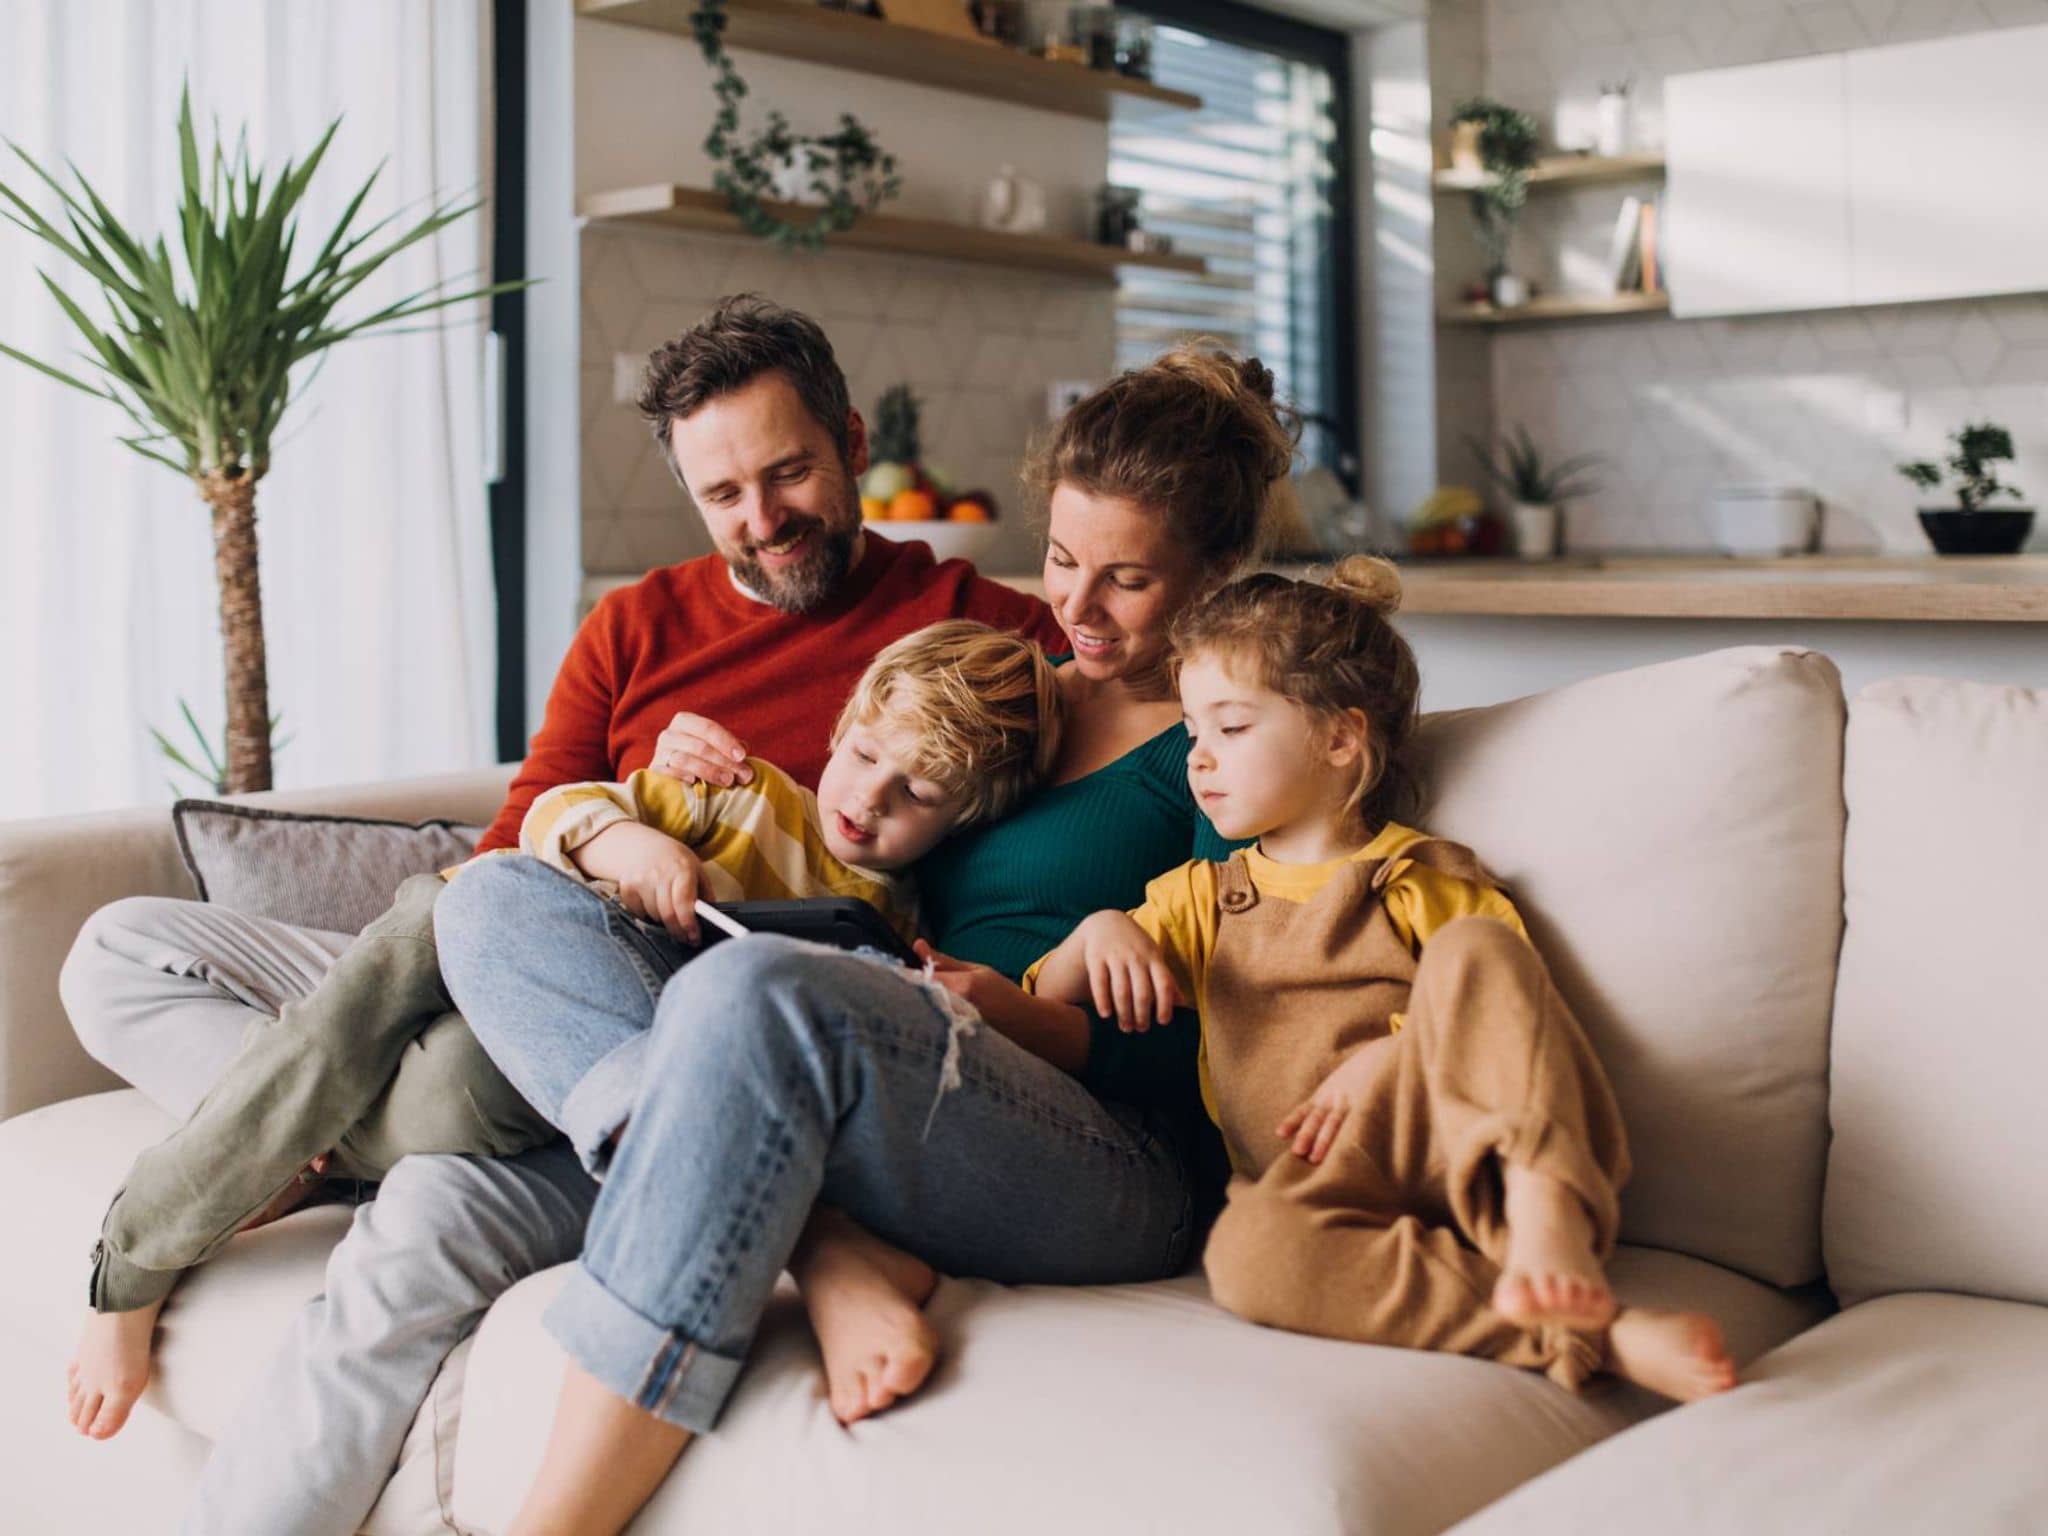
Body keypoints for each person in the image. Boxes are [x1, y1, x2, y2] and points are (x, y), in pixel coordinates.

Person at [55, 295, 1061, 1516]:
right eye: (723, 495)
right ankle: (314, 1128)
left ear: (851, 443)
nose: (762, 521)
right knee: (122, 947)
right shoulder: (636, 624)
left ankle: (306, 1131)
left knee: (403, 1249)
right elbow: (500, 859)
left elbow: (1105, 762)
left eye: (789, 473)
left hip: (676, 1058)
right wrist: (621, 826)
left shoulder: (982, 637)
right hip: (523, 964)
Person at [431, 342, 1297, 1536]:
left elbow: (1245, 1058)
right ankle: (826, 1241)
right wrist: (689, 804)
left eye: (1127, 583)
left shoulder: (1231, 741)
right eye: (1058, 561)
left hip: (1112, 1157)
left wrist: (1032, 1011)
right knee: (490, 901)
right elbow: (860, 842)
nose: (1076, 612)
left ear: (1216, 573)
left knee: (751, 994)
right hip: (899, 1065)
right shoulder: (1009, 687)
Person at [62, 619, 1059, 1443]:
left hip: (526, 1054)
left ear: (965, 817)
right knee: (121, 948)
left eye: (915, 796)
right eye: (864, 757)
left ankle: (228, 1182)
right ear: (841, 727)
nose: (867, 799)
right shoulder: (742, 792)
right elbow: (558, 813)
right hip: (447, 932)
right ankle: (256, 1163)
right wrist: (627, 840)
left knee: (451, 1082)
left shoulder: (890, 945)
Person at [1027, 560, 1739, 1403]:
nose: (1200, 761)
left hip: (1461, 1156)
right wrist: (1098, 930)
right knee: (1245, 1257)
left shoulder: (1416, 875)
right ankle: (1593, 1334)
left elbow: (1512, 1011)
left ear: (1339, 739)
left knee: (1477, 946)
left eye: (1232, 728)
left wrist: (1394, 1059)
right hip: (1320, 1191)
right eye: (1192, 733)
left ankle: (1551, 1210)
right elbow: (1048, 995)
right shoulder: (1202, 899)